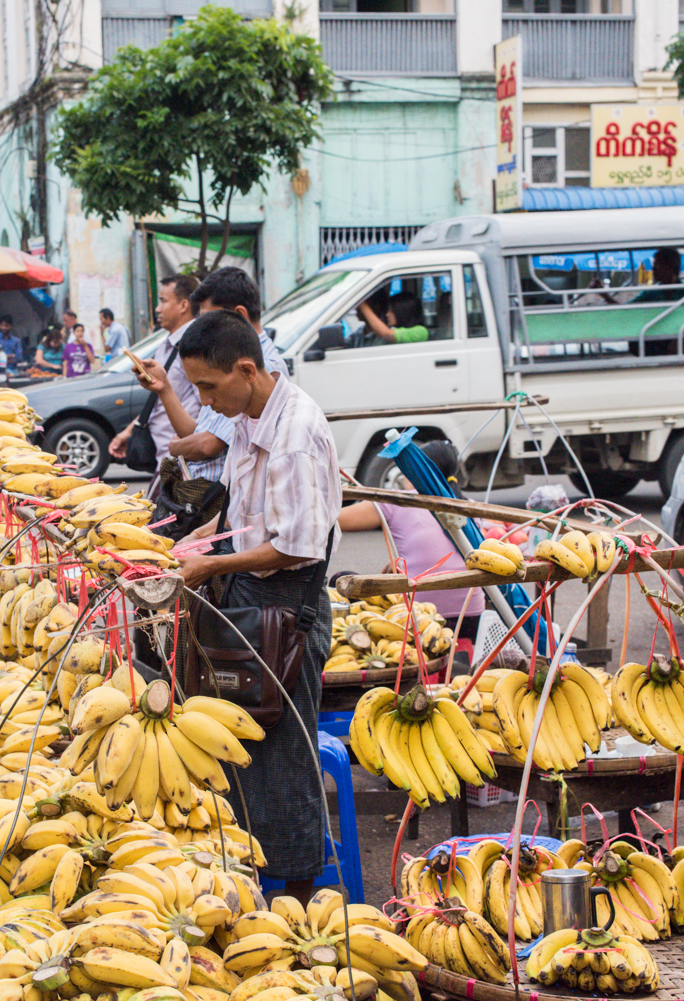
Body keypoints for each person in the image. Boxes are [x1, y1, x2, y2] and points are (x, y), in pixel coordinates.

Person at [172, 309, 341, 905]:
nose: (206, 402)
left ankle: (295, 893)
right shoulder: (247, 418)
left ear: (247, 368)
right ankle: (246, 878)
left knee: (283, 752)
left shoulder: (294, 434)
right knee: (238, 743)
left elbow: (296, 544)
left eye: (211, 387)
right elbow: (246, 513)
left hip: (287, 606)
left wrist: (213, 565)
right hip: (249, 596)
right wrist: (206, 536)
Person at [136, 267, 286, 482]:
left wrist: (175, 447)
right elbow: (198, 432)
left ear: (238, 316)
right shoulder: (229, 359)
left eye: (209, 321)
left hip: (215, 495)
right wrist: (164, 388)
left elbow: (207, 444)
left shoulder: (264, 367)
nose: (205, 400)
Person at [335, 440, 484, 633]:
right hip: (472, 619)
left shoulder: (398, 500)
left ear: (414, 469)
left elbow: (334, 519)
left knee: (341, 579)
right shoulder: (471, 505)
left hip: (420, 619)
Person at [109, 274, 201, 467]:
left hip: (183, 461)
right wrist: (128, 432)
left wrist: (189, 443)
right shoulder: (166, 345)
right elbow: (158, 401)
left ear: (184, 305)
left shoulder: (195, 345)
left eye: (163, 301)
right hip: (164, 457)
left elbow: (207, 408)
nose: (157, 309)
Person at [359, 290, 429, 343]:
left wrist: (362, 304)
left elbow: (386, 334)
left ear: (403, 312)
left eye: (392, 311)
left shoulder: (421, 331)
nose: (387, 315)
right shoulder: (394, 329)